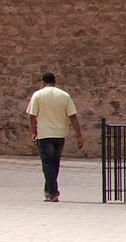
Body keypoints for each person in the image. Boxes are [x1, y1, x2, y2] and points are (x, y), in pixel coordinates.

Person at [27, 72, 84, 202]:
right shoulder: (64, 95)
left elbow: (32, 116)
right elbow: (73, 116)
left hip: (44, 134)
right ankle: (49, 190)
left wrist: (33, 132)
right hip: (59, 134)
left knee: (47, 164)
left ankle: (53, 192)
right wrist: (79, 135)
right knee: (55, 163)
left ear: (43, 82)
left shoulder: (38, 95)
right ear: (55, 81)